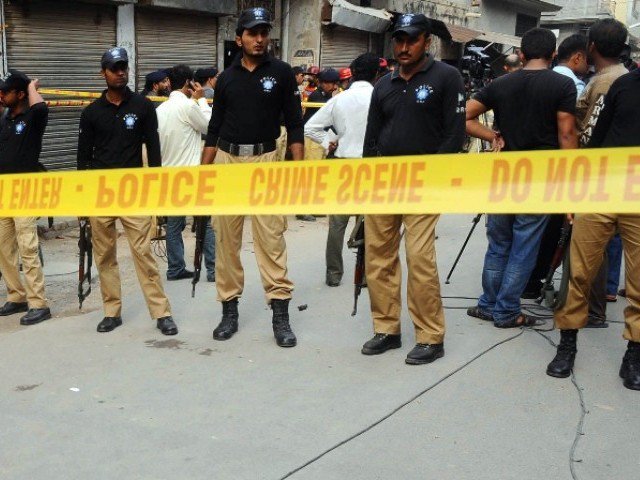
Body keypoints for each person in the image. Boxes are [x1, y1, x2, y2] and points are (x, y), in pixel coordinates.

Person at [362, 13, 466, 365]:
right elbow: (371, 139)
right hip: (383, 183)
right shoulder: (384, 85)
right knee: (378, 258)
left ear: (426, 42)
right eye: (399, 40)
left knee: (419, 259)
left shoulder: (447, 77)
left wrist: (435, 176)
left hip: (425, 182)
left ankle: (430, 336)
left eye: (412, 40)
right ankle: (386, 329)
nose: (404, 47)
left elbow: (454, 134)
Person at [202, 8, 304, 348]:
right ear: (239, 38)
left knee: (271, 240)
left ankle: (280, 316)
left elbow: (295, 124)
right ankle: (228, 311)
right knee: (226, 240)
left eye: (264, 32)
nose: (259, 39)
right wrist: (205, 173)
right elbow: (214, 128)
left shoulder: (282, 73)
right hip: (228, 161)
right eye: (252, 33)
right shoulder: (226, 78)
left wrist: (300, 171)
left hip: (266, 161)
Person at [465, 28, 578, 328]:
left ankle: (488, 304)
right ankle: (506, 311)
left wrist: (492, 135)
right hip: (539, 178)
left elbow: (465, 116)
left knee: (499, 242)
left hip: (504, 176)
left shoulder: (501, 83)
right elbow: (567, 135)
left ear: (522, 55)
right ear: (553, 54)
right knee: (524, 245)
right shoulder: (562, 85)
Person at [547, 67, 640, 390]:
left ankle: (634, 353)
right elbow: (597, 138)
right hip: (602, 189)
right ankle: (567, 344)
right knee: (579, 273)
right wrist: (577, 191)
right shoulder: (623, 85)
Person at [77, 47, 177, 336]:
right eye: (114, 67)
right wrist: (83, 200)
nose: (120, 71)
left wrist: (157, 188)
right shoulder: (91, 113)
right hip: (100, 192)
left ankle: (162, 313)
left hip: (134, 191)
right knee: (105, 256)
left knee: (144, 253)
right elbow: (83, 158)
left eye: (124, 66)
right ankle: (112, 311)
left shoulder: (143, 106)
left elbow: (154, 150)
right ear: (103, 73)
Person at [304, 53, 379, 287]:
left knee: (337, 223)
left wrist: (329, 141)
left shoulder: (340, 99)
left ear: (352, 75)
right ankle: (366, 274)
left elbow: (311, 127)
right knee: (368, 222)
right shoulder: (381, 97)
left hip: (344, 164)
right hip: (371, 165)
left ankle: (334, 274)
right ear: (377, 75)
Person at [0, 70, 51, 326]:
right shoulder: (4, 119)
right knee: (4, 248)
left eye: (6, 91)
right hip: (3, 192)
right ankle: (16, 295)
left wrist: (32, 86)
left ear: (20, 94)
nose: (1, 95)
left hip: (26, 191)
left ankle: (38, 303)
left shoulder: (33, 118)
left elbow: (41, 108)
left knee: (27, 247)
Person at [156, 64, 216, 283]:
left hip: (168, 176)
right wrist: (200, 99)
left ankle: (175, 268)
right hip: (190, 175)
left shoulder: (160, 109)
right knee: (205, 222)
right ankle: (213, 269)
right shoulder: (188, 106)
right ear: (189, 83)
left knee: (173, 225)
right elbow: (210, 126)